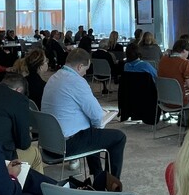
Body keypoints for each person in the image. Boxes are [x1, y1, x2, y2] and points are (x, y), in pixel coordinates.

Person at [41, 48, 126, 178]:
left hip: (49, 143)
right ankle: (112, 182)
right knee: (118, 137)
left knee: (91, 131)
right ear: (80, 66)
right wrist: (100, 122)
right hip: (66, 145)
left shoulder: (54, 78)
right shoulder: (76, 81)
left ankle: (97, 174)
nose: (85, 73)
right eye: (86, 69)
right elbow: (97, 115)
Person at [0, 74, 45, 174]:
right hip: (1, 158)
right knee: (35, 153)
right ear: (19, 90)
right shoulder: (19, 99)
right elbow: (24, 144)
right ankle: (34, 188)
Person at [159, 39, 189, 106]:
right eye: (188, 52)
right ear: (184, 50)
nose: (188, 55)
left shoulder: (163, 60)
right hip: (180, 101)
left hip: (163, 101)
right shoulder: (185, 63)